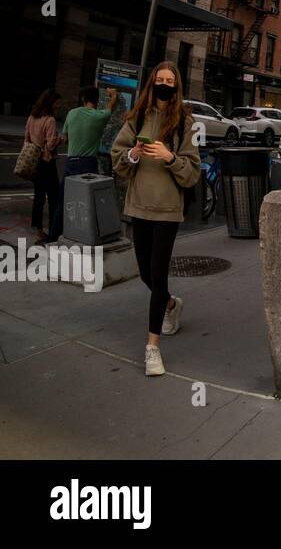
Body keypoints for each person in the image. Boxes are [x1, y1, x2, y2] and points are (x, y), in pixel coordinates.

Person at [111, 62, 200, 378]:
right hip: (138, 207)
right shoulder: (136, 117)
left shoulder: (184, 123)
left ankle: (152, 348)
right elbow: (118, 162)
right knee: (147, 276)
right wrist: (134, 153)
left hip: (167, 210)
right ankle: (171, 305)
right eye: (160, 80)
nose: (164, 85)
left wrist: (170, 158)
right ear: (152, 83)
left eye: (170, 80)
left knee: (158, 276)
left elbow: (192, 173)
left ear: (177, 86)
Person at [60, 85, 120, 228]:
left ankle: (54, 235)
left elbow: (65, 138)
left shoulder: (71, 113)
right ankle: (83, 231)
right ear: (97, 100)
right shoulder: (99, 116)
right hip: (88, 164)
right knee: (87, 202)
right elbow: (110, 107)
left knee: (64, 200)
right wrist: (113, 95)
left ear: (82, 98)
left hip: (71, 162)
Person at [25, 89, 63, 244]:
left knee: (38, 197)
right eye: (57, 103)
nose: (59, 106)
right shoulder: (50, 120)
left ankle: (39, 232)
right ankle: (53, 231)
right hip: (47, 162)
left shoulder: (32, 117)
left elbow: (26, 137)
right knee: (54, 197)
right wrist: (59, 139)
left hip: (34, 161)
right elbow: (51, 143)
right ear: (51, 103)